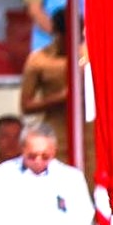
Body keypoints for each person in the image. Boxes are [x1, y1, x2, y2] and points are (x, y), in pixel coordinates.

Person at [20, 9, 76, 161]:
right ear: (56, 33)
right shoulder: (39, 59)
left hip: (92, 137)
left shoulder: (91, 54)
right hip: (57, 136)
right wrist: (61, 97)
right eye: (67, 36)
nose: (74, 41)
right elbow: (26, 106)